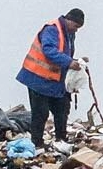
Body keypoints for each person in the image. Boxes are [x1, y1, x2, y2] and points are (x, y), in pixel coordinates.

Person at [16, 8, 86, 148]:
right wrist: (69, 62)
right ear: (69, 20)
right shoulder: (52, 29)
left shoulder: (69, 34)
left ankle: (61, 140)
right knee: (40, 113)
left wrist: (76, 61)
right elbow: (49, 50)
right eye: (76, 26)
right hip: (38, 79)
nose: (76, 30)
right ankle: (37, 143)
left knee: (62, 108)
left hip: (55, 81)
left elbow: (63, 54)